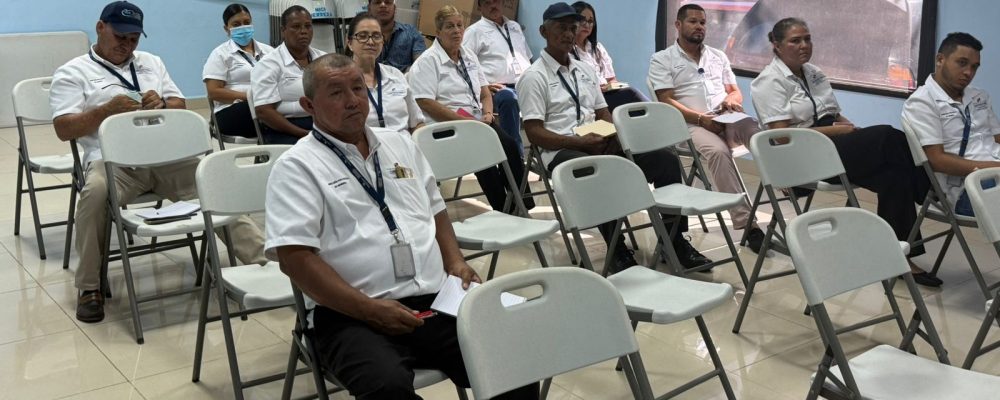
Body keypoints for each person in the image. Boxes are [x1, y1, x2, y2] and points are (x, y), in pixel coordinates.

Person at [265, 53, 539, 400]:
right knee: (387, 388)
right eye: (336, 93)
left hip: (434, 300)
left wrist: (455, 262)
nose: (352, 101)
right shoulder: (296, 167)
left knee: (514, 359)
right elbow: (295, 258)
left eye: (358, 89)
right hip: (350, 313)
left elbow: (436, 210)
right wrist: (369, 310)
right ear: (309, 105)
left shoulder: (399, 143)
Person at [49, 1, 267, 323]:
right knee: (94, 194)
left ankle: (268, 264)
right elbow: (63, 128)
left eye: (134, 39)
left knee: (215, 184)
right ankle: (90, 287)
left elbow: (179, 103)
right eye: (120, 37)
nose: (127, 45)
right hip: (114, 164)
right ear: (100, 28)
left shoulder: (151, 63)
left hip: (167, 160)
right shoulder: (73, 71)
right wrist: (105, 111)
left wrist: (163, 103)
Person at [517, 2, 711, 271]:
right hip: (561, 149)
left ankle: (674, 241)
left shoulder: (585, 70)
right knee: (597, 172)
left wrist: (615, 135)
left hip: (596, 142)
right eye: (561, 28)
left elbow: (603, 113)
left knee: (665, 160)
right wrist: (578, 142)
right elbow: (535, 132)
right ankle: (616, 249)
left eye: (573, 28)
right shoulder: (533, 77)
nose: (569, 34)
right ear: (543, 32)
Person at [750, 18, 938, 286]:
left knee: (894, 175)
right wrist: (840, 132)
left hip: (832, 146)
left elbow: (835, 115)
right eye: (795, 41)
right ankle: (932, 190)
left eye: (807, 38)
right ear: (777, 46)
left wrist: (854, 131)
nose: (804, 45)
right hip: (800, 156)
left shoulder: (814, 73)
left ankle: (897, 257)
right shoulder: (768, 81)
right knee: (886, 135)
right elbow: (781, 136)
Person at [648, 3, 764, 253]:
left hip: (724, 119)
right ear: (678, 25)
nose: (699, 26)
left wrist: (731, 101)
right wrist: (702, 119)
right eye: (693, 21)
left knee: (755, 130)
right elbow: (665, 100)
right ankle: (748, 225)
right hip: (690, 125)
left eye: (702, 22)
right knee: (718, 152)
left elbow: (734, 90)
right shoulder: (663, 59)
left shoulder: (717, 56)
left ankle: (785, 182)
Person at [408, 5, 531, 213]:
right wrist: (466, 122)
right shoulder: (428, 61)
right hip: (449, 126)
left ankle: (522, 202)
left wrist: (488, 113)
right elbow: (425, 102)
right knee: (483, 154)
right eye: (450, 26)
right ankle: (505, 209)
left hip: (477, 122)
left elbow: (485, 93)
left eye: (459, 25)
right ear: (438, 32)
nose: (457, 31)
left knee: (509, 146)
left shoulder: (469, 56)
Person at [903, 32, 1000, 217]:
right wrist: (995, 168)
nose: (969, 73)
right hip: (968, 188)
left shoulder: (979, 96)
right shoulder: (922, 102)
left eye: (974, 67)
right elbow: (936, 160)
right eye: (962, 63)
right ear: (940, 60)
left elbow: (997, 138)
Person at [250, 5, 326, 144]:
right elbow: (264, 112)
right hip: (285, 127)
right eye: (296, 27)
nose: (303, 31)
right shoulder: (268, 64)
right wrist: (305, 134)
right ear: (283, 31)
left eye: (308, 26)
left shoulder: (324, 59)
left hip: (323, 122)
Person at [463, 0, 531, 152]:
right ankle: (515, 155)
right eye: (487, 3)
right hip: (498, 90)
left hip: (525, 85)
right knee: (509, 98)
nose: (493, 6)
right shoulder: (474, 31)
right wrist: (483, 87)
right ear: (480, 7)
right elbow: (465, 65)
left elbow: (527, 57)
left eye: (496, 1)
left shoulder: (514, 27)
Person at [203, 3, 274, 139]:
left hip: (267, 103)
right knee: (260, 110)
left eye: (247, 22)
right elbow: (213, 92)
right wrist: (250, 97)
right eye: (236, 24)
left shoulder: (269, 51)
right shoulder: (220, 54)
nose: (243, 27)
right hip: (232, 109)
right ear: (226, 29)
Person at [347, 14, 425, 135]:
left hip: (404, 144)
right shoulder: (342, 81)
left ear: (382, 42)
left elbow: (417, 123)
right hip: (368, 145)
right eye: (362, 36)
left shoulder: (396, 75)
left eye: (376, 36)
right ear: (350, 43)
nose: (371, 42)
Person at [570, 1, 648, 112]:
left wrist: (611, 86)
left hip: (606, 95)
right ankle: (659, 113)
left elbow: (611, 79)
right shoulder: (566, 51)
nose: (587, 25)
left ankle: (657, 114)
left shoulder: (597, 48)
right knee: (631, 94)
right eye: (582, 20)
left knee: (632, 103)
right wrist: (598, 89)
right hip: (588, 99)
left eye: (590, 21)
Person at [368, 0, 425, 72]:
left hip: (404, 78)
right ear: (369, 8)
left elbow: (421, 66)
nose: (383, 5)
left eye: (388, 2)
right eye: (377, 2)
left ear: (394, 8)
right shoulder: (360, 36)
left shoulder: (412, 33)